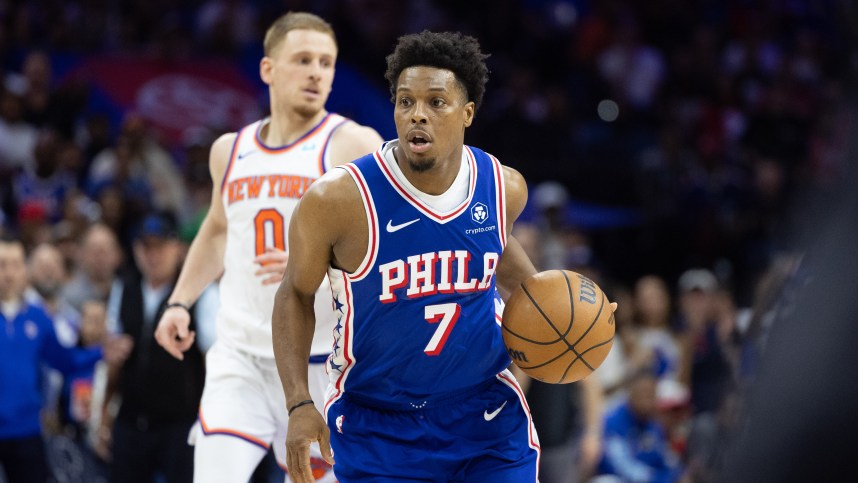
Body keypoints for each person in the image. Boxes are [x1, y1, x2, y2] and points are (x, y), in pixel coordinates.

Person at [272, 30, 609, 482]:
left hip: (484, 415)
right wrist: (298, 403)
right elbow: (294, 294)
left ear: (467, 112)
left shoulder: (503, 188)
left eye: (436, 102)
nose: (418, 115)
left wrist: (564, 324)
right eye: (405, 101)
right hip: (377, 422)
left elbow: (512, 275)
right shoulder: (338, 201)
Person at [153, 11, 382, 483]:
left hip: (322, 365)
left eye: (326, 62)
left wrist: (320, 258)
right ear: (268, 69)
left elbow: (391, 240)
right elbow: (217, 230)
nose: (317, 72)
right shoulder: (229, 150)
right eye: (302, 60)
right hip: (239, 358)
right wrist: (179, 301)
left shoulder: (354, 145)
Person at [0, 237, 131, 483]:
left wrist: (101, 353)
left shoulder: (39, 318)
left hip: (27, 430)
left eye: (15, 265)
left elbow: (65, 361)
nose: (8, 273)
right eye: (2, 264)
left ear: (24, 271)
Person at [102, 213, 217, 483]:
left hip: (180, 422)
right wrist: (104, 413)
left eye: (160, 246)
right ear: (135, 249)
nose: (153, 255)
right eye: (146, 246)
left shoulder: (201, 293)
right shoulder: (124, 286)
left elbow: (213, 358)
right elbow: (112, 353)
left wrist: (211, 419)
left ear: (177, 248)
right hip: (131, 418)